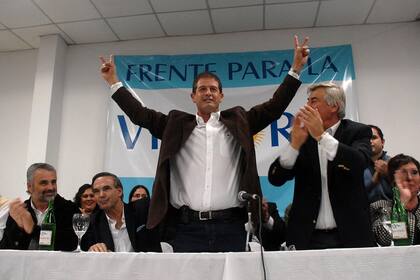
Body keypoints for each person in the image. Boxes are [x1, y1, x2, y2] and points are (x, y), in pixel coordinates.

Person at [99, 35, 309, 252]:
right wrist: (114, 82)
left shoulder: (240, 122)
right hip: (186, 229)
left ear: (221, 96)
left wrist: (295, 69)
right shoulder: (175, 125)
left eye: (213, 89)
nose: (208, 93)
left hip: (232, 227)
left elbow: (274, 107)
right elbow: (140, 114)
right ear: (192, 96)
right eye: (202, 89)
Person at [268, 82, 374, 250]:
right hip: (308, 238)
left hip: (350, 236)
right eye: (308, 100)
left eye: (314, 101)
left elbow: (359, 163)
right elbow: (276, 178)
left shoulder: (358, 131)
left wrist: (322, 136)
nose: (307, 106)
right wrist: (294, 144)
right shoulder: (304, 137)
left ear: (334, 106)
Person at [0, 163, 78, 251]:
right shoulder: (21, 211)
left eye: (53, 182)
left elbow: (71, 244)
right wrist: (20, 228)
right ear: (29, 187)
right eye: (44, 183)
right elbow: (5, 249)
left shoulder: (69, 208)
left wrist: (33, 229)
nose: (51, 187)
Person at [81, 172, 159, 252]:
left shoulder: (142, 210)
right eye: (96, 191)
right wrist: (92, 249)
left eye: (106, 189)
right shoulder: (92, 222)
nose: (101, 195)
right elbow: (86, 248)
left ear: (119, 191)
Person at [370, 154, 420, 246]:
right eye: (403, 173)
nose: (410, 177)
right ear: (393, 181)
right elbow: (388, 241)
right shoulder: (380, 208)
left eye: (414, 172)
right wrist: (401, 204)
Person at [364, 125, 392, 203]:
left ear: (382, 142)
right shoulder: (356, 167)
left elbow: (408, 191)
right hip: (367, 213)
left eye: (373, 137)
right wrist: (372, 182)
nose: (370, 141)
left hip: (393, 213)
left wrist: (388, 173)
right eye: (366, 139)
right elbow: (353, 196)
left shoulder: (395, 163)